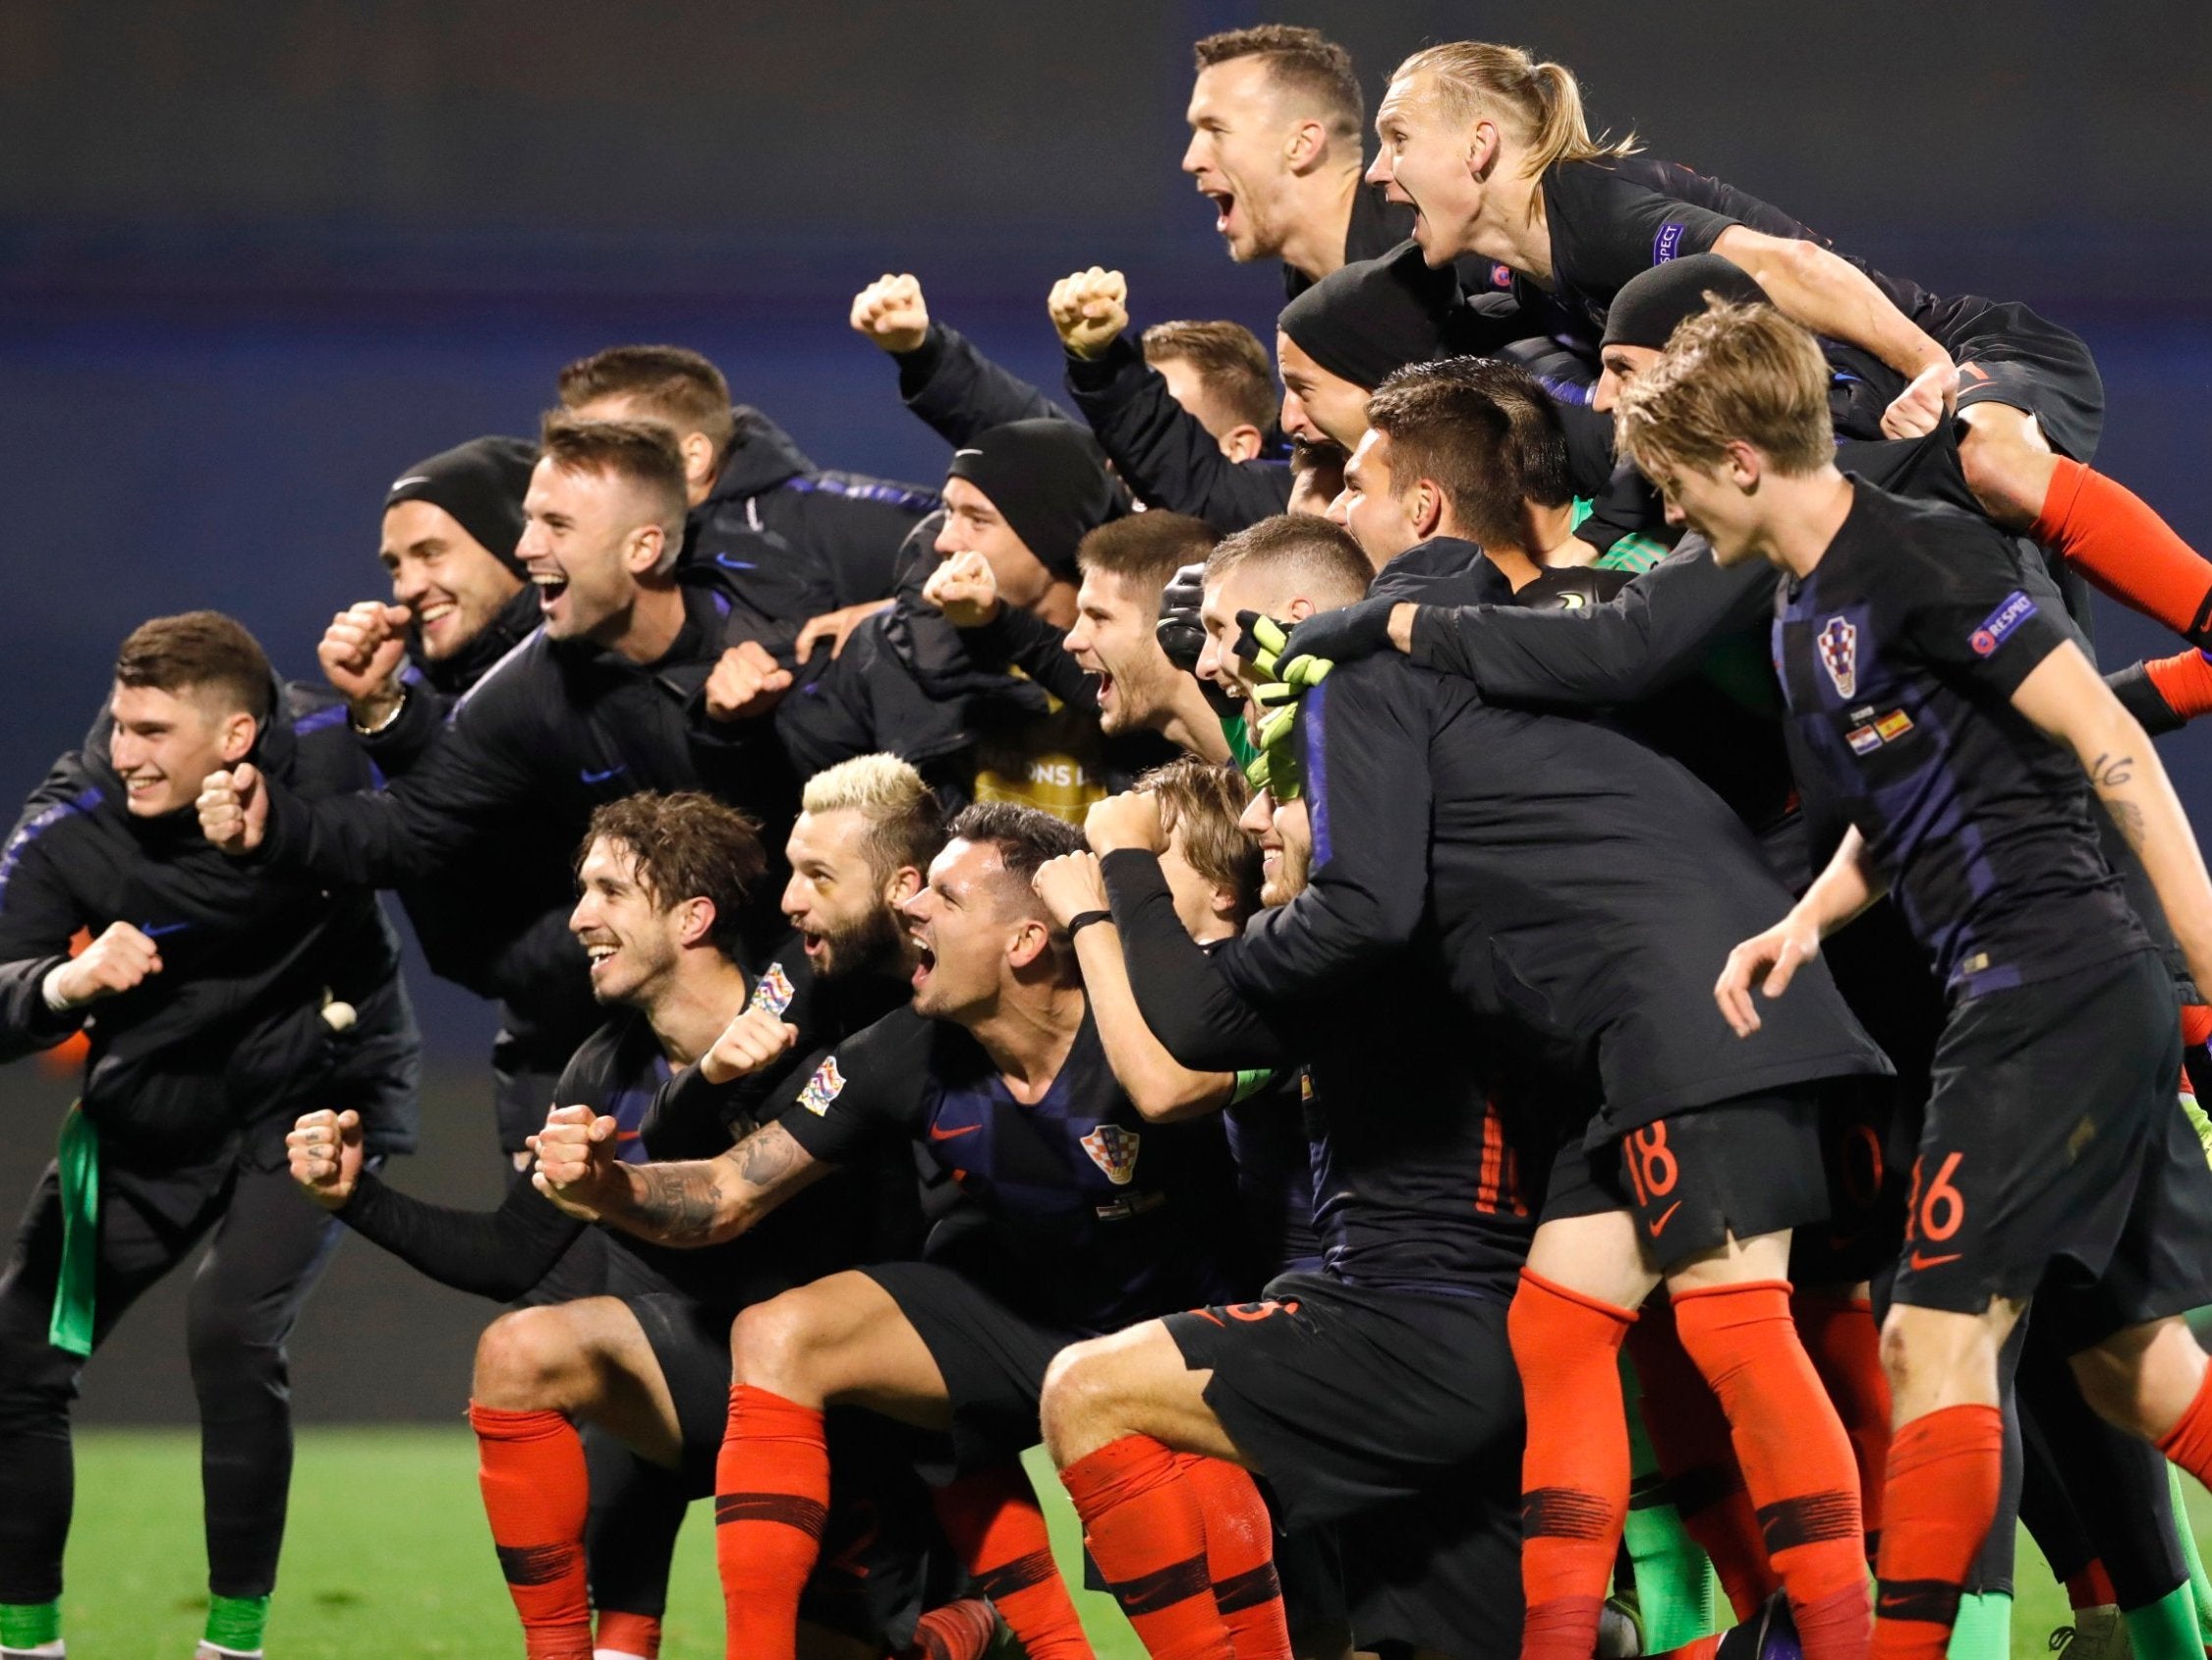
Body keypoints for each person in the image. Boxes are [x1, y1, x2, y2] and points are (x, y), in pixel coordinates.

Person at [1613, 301, 2212, 1660]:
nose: (1664, 501)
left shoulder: (1921, 556)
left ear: (1739, 456)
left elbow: (2101, 734)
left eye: (1674, 472)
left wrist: (2201, 947)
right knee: (2133, 1365)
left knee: (1924, 1341)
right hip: (2013, 985)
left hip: (2047, 978)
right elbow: (1890, 815)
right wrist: (1801, 926)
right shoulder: (1795, 617)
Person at [1212, 515, 1900, 1660]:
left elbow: (1366, 908)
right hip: (1643, 1036)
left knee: (1736, 1327)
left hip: (1691, 1013)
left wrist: (1226, 974)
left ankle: (1848, 1643)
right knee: (1558, 1329)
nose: (1213, 654)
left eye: (1228, 628)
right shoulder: (1493, 678)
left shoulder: (1368, 685)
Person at [533, 803, 1249, 1660]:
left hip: (1196, 1344)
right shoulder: (904, 1049)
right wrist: (608, 1184)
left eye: (944, 896)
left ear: (1025, 940)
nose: (910, 907)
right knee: (781, 1331)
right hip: (1032, 1328)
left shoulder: (1148, 1013)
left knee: (1259, 1619)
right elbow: (727, 1190)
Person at [288, 789, 985, 1660]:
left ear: (694, 916)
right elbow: (513, 1254)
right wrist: (357, 1196)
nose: (580, 917)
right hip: (703, 1385)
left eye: (610, 892)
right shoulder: (600, 1066)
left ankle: (972, 1617)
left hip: (850, 1410)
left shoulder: (825, 1018)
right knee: (521, 1348)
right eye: (583, 892)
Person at [1364, 40, 2212, 648]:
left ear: (1480, 145)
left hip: (1973, 344)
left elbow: (1791, 266)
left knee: (1991, 456)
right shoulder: (1524, 275)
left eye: (1396, 139)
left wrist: (1932, 367)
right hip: (1867, 406)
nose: (1376, 169)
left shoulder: (1590, 211)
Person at [0, 612, 419, 1660]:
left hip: (302, 1113)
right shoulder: (73, 822)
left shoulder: (325, 755)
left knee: (230, 1330)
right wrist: (66, 982)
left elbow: (450, 809)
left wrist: (394, 710)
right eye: (120, 722)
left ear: (235, 736)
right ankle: (25, 1644)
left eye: (153, 731)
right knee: (19, 1364)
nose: (125, 750)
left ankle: (232, 1647)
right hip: (140, 1134)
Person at [195, 416, 800, 925]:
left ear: (642, 548)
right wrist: (274, 826)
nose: (527, 546)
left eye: (555, 525)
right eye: (530, 521)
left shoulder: (781, 616)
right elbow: (411, 824)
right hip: (699, 994)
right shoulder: (526, 687)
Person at [317, 434, 604, 1164]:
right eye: (395, 565)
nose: (407, 585)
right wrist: (386, 716)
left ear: (519, 543)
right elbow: (464, 947)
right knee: (561, 1283)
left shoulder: (606, 662)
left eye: (431, 552)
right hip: (554, 1071)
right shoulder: (412, 706)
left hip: (707, 1053)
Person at [776, 420, 1155, 821]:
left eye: (977, 520)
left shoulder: (1146, 652)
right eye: (948, 512)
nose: (944, 540)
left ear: (1054, 538)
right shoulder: (890, 647)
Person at [850, 269, 1291, 534]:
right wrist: (922, 352)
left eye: (1161, 419)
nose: (1124, 453)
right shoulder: (1114, 515)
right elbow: (1025, 434)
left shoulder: (1291, 533)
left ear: (1239, 448)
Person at [558, 343, 939, 638]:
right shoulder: (578, 552)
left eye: (609, 449)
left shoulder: (828, 518)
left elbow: (991, 558)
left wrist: (886, 617)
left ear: (693, 458)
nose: (578, 472)